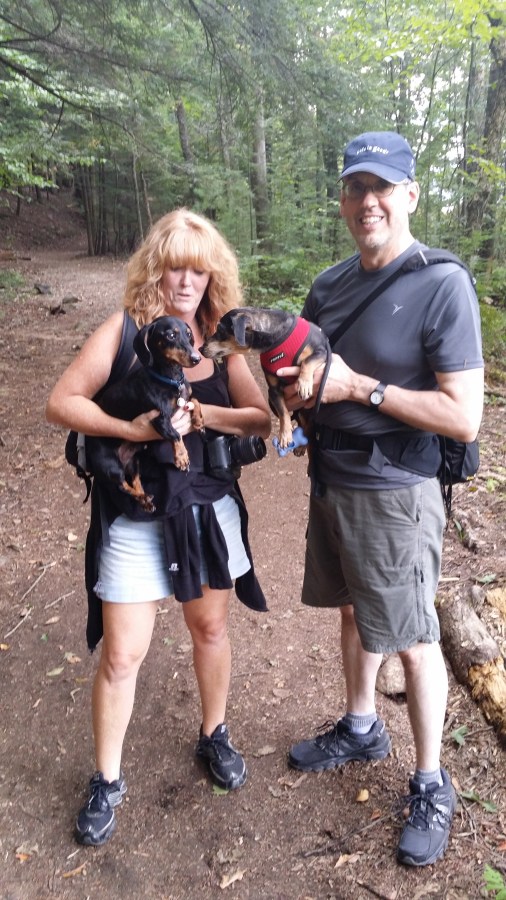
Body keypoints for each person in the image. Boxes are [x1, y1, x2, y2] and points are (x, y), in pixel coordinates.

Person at [278, 132, 483, 867]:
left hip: (397, 492)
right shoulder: (328, 286)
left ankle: (431, 781)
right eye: (356, 188)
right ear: (342, 201)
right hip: (331, 479)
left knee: (414, 638)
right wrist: (292, 397)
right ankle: (362, 725)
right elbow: (304, 372)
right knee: (351, 611)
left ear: (410, 196)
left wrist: (359, 388)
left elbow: (464, 416)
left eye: (383, 187)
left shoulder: (442, 284)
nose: (368, 201)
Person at [46, 208, 271, 846]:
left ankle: (214, 733)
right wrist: (129, 429)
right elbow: (61, 402)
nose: (187, 281)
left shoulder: (219, 342)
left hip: (207, 510)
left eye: (199, 270)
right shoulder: (124, 332)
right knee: (122, 654)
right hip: (137, 514)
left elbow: (259, 418)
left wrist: (203, 416)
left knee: (211, 628)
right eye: (175, 268)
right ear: (156, 270)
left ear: (212, 276)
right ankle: (107, 779)